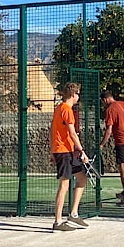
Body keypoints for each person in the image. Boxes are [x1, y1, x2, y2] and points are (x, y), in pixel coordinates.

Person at [49, 82, 90, 231]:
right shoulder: (66, 109)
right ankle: (58, 222)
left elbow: (53, 130)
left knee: (82, 178)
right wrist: (82, 151)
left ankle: (73, 214)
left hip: (66, 150)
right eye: (78, 94)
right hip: (63, 151)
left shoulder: (59, 108)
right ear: (73, 94)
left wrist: (52, 151)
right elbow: (72, 133)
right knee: (64, 184)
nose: (78, 97)